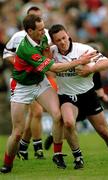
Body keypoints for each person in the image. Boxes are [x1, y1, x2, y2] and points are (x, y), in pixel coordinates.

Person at [0, 14, 96, 174]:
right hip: (22, 87)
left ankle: (57, 154)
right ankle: (7, 163)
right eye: (39, 29)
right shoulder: (25, 48)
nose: (43, 32)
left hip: (40, 83)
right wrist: (79, 61)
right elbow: (54, 68)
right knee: (17, 132)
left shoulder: (42, 37)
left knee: (58, 116)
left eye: (43, 27)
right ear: (29, 31)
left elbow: (48, 51)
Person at [46, 24, 108, 169]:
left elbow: (107, 63)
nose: (62, 42)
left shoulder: (83, 49)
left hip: (88, 95)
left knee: (104, 131)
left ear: (68, 35)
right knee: (68, 123)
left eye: (64, 38)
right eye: (58, 40)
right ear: (53, 42)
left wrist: (90, 69)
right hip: (67, 96)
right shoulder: (51, 52)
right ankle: (78, 157)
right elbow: (44, 63)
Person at [3, 6, 54, 160]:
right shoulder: (18, 37)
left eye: (40, 17)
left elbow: (48, 54)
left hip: (38, 77)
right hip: (23, 79)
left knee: (38, 113)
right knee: (30, 117)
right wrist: (22, 63)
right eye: (34, 17)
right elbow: (6, 54)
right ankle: (26, 146)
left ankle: (31, 146)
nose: (39, 23)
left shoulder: (45, 34)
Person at [44, 71, 108, 151]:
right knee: (70, 124)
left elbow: (98, 86)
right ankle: (57, 138)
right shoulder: (82, 68)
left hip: (86, 98)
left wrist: (102, 95)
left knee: (71, 124)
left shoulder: (93, 70)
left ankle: (53, 135)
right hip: (74, 99)